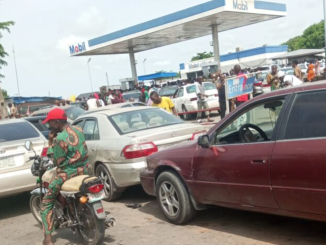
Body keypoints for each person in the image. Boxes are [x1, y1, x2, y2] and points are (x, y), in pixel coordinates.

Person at [40, 108, 89, 245]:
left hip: (67, 174)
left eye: (50, 123)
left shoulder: (59, 139)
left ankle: (48, 239)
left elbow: (56, 162)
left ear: (56, 122)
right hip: (84, 170)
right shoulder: (79, 129)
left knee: (46, 203)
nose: (49, 126)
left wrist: (51, 143)